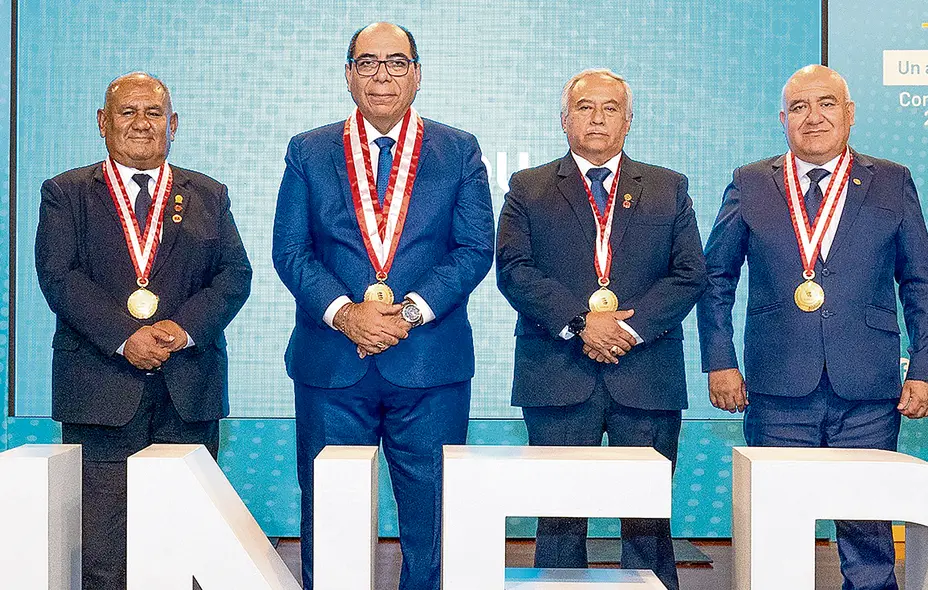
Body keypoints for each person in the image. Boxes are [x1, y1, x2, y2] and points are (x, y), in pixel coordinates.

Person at [697, 64, 928, 590]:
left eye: (827, 104)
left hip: (868, 388)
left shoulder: (892, 180)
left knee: (867, 528)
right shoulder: (750, 182)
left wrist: (925, 368)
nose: (814, 118)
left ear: (849, 113)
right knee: (776, 526)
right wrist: (720, 361)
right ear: (782, 119)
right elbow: (714, 278)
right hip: (776, 386)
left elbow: (920, 282)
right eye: (800, 108)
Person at [272, 22, 494, 590]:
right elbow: (290, 250)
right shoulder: (309, 150)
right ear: (348, 76)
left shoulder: (459, 149)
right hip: (332, 364)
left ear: (418, 74)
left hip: (430, 362)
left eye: (397, 63)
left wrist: (413, 311)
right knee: (329, 510)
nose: (382, 76)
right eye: (367, 63)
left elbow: (474, 249)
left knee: (434, 515)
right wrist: (347, 313)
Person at [34, 72, 252, 590]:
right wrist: (125, 336)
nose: (141, 123)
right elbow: (58, 276)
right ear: (102, 123)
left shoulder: (208, 194)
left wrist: (183, 327)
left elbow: (234, 275)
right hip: (99, 395)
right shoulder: (65, 193)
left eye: (153, 113)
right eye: (127, 112)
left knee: (186, 543)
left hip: (188, 393)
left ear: (172, 124)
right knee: (105, 552)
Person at [495, 68, 706, 590]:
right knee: (559, 517)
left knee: (648, 521)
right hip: (558, 372)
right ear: (563, 120)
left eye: (610, 108)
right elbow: (513, 268)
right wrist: (579, 323)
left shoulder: (667, 187)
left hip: (646, 374)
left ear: (628, 120)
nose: (597, 117)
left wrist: (627, 332)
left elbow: (690, 273)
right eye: (585, 107)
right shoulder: (528, 187)